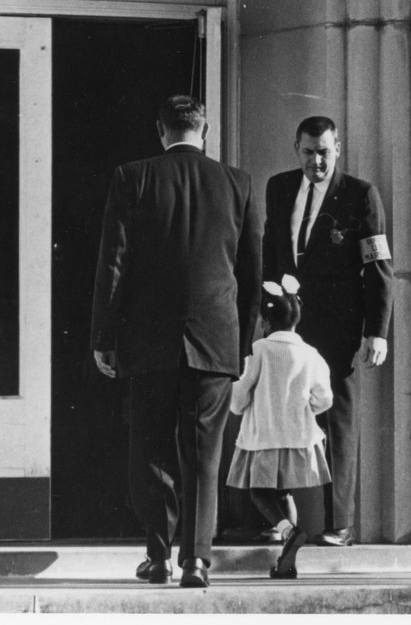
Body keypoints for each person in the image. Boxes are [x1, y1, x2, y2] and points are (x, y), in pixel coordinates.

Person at [90, 94, 262, 588]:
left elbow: (114, 263)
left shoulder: (133, 176)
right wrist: (241, 341)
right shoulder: (238, 183)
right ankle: (198, 560)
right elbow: (252, 272)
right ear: (203, 130)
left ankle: (159, 554)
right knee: (205, 456)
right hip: (215, 341)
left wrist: (104, 335)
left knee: (150, 448)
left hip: (148, 341)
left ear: (161, 130)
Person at [262, 115, 393, 546]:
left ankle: (339, 525)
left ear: (339, 148)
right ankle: (280, 520)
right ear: (295, 148)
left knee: (337, 422)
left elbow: (378, 267)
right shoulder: (279, 188)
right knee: (278, 414)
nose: (316, 161)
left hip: (338, 329)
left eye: (324, 152)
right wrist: (266, 316)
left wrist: (377, 332)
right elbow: (270, 253)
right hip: (286, 327)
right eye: (308, 151)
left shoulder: (360, 195)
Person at [226, 274, 332, 579]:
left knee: (259, 491)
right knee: (284, 493)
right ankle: (288, 559)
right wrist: (304, 410)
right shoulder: (311, 354)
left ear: (266, 321)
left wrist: (238, 406)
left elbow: (242, 390)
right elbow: (324, 398)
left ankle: (288, 531)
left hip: (263, 437)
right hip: (297, 437)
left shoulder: (259, 350)